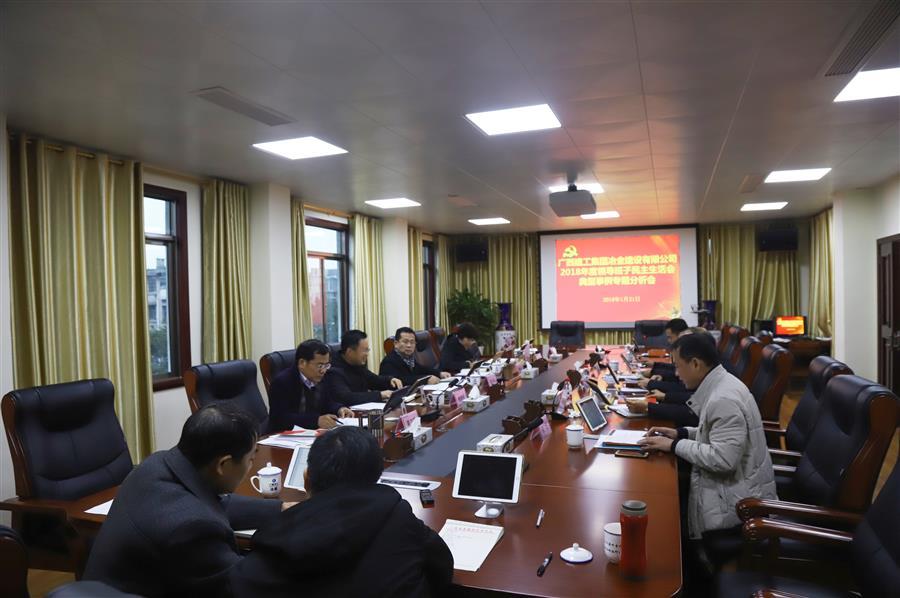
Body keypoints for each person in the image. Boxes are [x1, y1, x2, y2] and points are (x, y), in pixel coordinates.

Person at [84, 404, 289, 597]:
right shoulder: (191, 529)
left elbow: (216, 503)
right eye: (251, 459)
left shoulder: (156, 465)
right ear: (223, 465)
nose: (251, 466)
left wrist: (284, 509)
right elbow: (242, 585)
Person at [229, 427, 454, 597]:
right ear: (376, 476)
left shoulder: (278, 540)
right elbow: (442, 567)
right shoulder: (400, 517)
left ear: (307, 479)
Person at [638, 333, 777, 545]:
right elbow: (715, 434)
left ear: (695, 364)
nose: (676, 373)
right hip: (736, 490)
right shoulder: (722, 384)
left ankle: (691, 558)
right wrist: (681, 433)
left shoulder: (723, 399)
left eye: (678, 366)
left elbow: (722, 459)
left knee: (661, 505)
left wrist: (674, 445)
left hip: (738, 508)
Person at [268, 339, 354, 431]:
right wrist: (316, 420)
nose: (323, 371)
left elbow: (327, 403)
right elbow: (280, 418)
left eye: (326, 365)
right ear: (302, 363)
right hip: (287, 435)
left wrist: (339, 409)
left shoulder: (323, 377)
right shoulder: (282, 382)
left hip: (315, 433)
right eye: (320, 366)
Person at [322, 329, 402, 406]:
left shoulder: (357, 364)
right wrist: (380, 395)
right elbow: (347, 398)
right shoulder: (333, 370)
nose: (367, 354)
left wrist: (390, 380)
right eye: (364, 350)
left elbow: (374, 380)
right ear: (350, 352)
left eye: (368, 350)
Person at [379, 327, 451, 385]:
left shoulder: (408, 358)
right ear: (396, 344)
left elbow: (421, 369)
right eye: (405, 342)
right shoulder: (389, 362)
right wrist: (426, 379)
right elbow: (401, 380)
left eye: (412, 342)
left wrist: (439, 373)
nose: (409, 345)